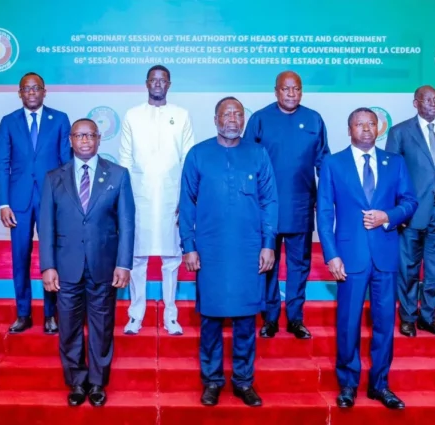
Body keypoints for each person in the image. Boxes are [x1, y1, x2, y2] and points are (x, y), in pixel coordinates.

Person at [179, 97, 277, 407]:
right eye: (226, 114)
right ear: (215, 119)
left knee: (246, 319)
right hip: (210, 251)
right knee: (210, 319)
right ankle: (211, 381)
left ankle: (243, 381)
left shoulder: (258, 153)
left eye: (238, 114)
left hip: (249, 249)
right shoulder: (198, 154)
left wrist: (268, 244)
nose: (232, 119)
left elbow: (269, 201)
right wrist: (189, 246)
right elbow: (186, 203)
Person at [317, 107, 417, 409]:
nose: (366, 129)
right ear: (349, 129)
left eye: (371, 124)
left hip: (385, 255)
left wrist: (388, 216)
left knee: (385, 323)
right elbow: (325, 213)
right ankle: (348, 384)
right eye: (359, 124)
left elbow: (410, 201)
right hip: (349, 257)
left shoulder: (395, 162)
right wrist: (331, 255)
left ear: (378, 128)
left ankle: (380, 384)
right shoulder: (333, 163)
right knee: (348, 322)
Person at [39, 118, 135, 407]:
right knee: (68, 328)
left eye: (90, 135)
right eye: (79, 135)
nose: (84, 140)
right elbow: (46, 226)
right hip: (65, 267)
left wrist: (124, 264)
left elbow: (127, 223)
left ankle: (96, 382)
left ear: (99, 138)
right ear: (70, 140)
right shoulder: (53, 177)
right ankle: (77, 383)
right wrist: (47, 265)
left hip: (104, 266)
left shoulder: (118, 175)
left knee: (102, 327)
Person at [243, 70, 329, 339]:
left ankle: (295, 318)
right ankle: (269, 318)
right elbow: (246, 163)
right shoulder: (259, 119)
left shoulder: (314, 119)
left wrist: (328, 200)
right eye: (286, 89)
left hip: (301, 205)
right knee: (267, 263)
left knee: (299, 265)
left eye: (297, 89)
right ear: (276, 91)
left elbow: (324, 164)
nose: (292, 94)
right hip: (266, 207)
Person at [384, 85, 435, 337]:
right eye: (428, 99)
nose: (434, 103)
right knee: (408, 268)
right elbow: (390, 176)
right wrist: (396, 211)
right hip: (410, 212)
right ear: (416, 103)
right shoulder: (400, 132)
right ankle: (408, 317)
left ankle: (428, 317)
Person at [119, 64, 196, 336]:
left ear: (169, 84)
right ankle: (135, 315)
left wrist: (185, 199)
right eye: (154, 79)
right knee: (137, 259)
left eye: (163, 80)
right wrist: (125, 201)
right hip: (139, 198)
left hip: (171, 198)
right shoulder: (132, 115)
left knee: (171, 259)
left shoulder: (181, 115)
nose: (158, 84)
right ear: (146, 83)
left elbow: (188, 160)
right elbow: (125, 161)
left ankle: (171, 316)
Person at [0, 72, 72, 335]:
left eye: (36, 88)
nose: (31, 92)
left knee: (51, 255)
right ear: (19, 93)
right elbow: (2, 164)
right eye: (26, 88)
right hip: (18, 201)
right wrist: (3, 203)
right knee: (19, 257)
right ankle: (23, 313)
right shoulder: (8, 122)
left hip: (52, 199)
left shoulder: (59, 119)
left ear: (44, 91)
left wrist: (65, 200)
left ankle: (51, 314)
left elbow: (66, 163)